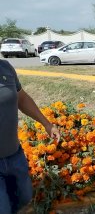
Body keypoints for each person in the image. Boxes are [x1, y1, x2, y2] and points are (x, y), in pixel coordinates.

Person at [0, 59, 60, 214]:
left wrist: (47, 124)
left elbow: (22, 98)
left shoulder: (5, 67)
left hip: (14, 155)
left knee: (24, 199)